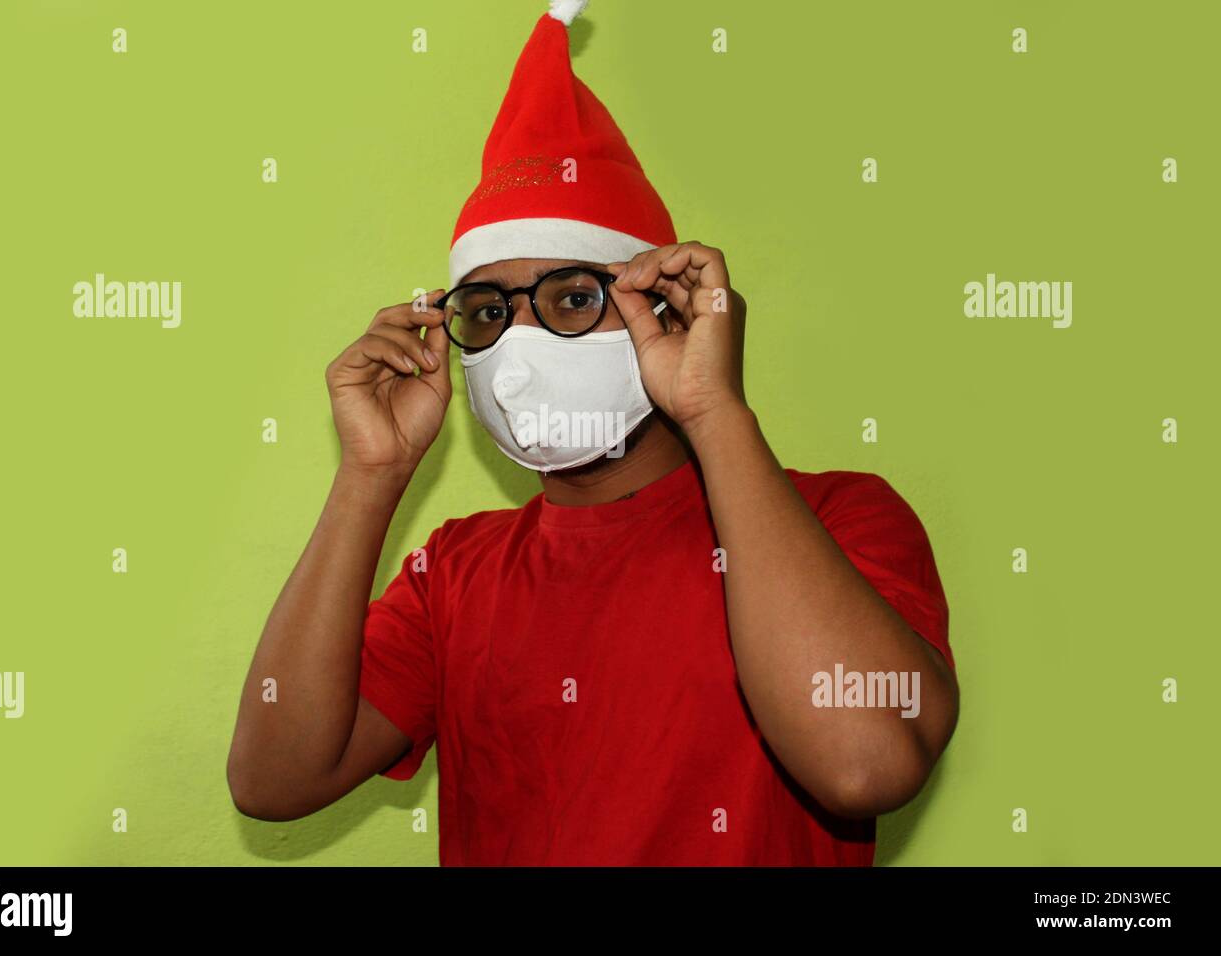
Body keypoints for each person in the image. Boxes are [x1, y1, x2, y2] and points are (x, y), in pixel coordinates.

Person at [227, 0, 959, 866]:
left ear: (665, 305)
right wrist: (370, 474)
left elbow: (864, 763)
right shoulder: (452, 579)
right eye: (489, 312)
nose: (521, 343)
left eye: (572, 299)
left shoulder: (840, 520)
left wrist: (715, 412)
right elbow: (272, 781)